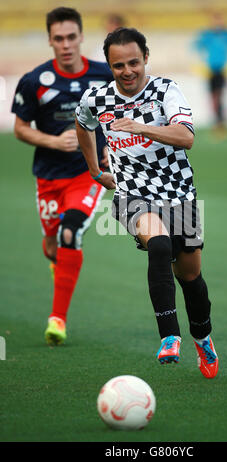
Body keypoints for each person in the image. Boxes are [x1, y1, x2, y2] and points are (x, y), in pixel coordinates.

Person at [75, 28, 218, 378]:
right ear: (109, 65)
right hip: (131, 193)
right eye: (118, 65)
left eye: (133, 62)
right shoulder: (97, 98)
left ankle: (202, 337)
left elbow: (186, 137)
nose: (127, 71)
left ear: (146, 58)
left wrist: (139, 127)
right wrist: (95, 169)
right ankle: (169, 335)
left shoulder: (165, 90)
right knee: (158, 243)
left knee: (191, 275)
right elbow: (82, 123)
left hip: (178, 191)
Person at [11, 7, 113, 346]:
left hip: (88, 173)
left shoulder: (105, 75)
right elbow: (20, 129)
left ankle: (58, 319)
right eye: (59, 39)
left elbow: (120, 114)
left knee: (71, 232)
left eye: (72, 37)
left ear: (82, 37)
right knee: (52, 244)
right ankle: (59, 256)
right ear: (50, 41)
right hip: (48, 175)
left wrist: (109, 147)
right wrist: (53, 140)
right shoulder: (34, 81)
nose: (66, 44)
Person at [192, 11, 227, 135]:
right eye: (216, 20)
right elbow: (197, 48)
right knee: (213, 96)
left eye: (220, 20)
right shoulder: (207, 35)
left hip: (222, 69)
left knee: (219, 94)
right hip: (210, 70)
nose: (218, 23)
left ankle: (220, 121)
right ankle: (218, 121)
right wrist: (201, 63)